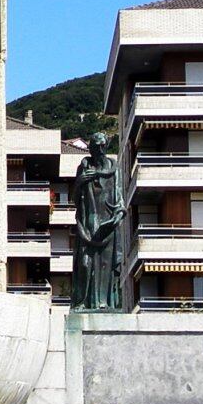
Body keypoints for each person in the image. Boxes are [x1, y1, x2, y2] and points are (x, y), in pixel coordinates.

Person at [71, 132, 125, 311]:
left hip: (106, 227)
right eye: (95, 148)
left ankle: (103, 303)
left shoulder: (113, 169)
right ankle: (82, 302)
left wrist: (118, 215)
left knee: (105, 266)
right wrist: (80, 182)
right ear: (91, 149)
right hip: (87, 226)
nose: (99, 151)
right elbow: (75, 200)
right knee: (85, 265)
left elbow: (119, 200)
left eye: (102, 148)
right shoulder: (84, 168)